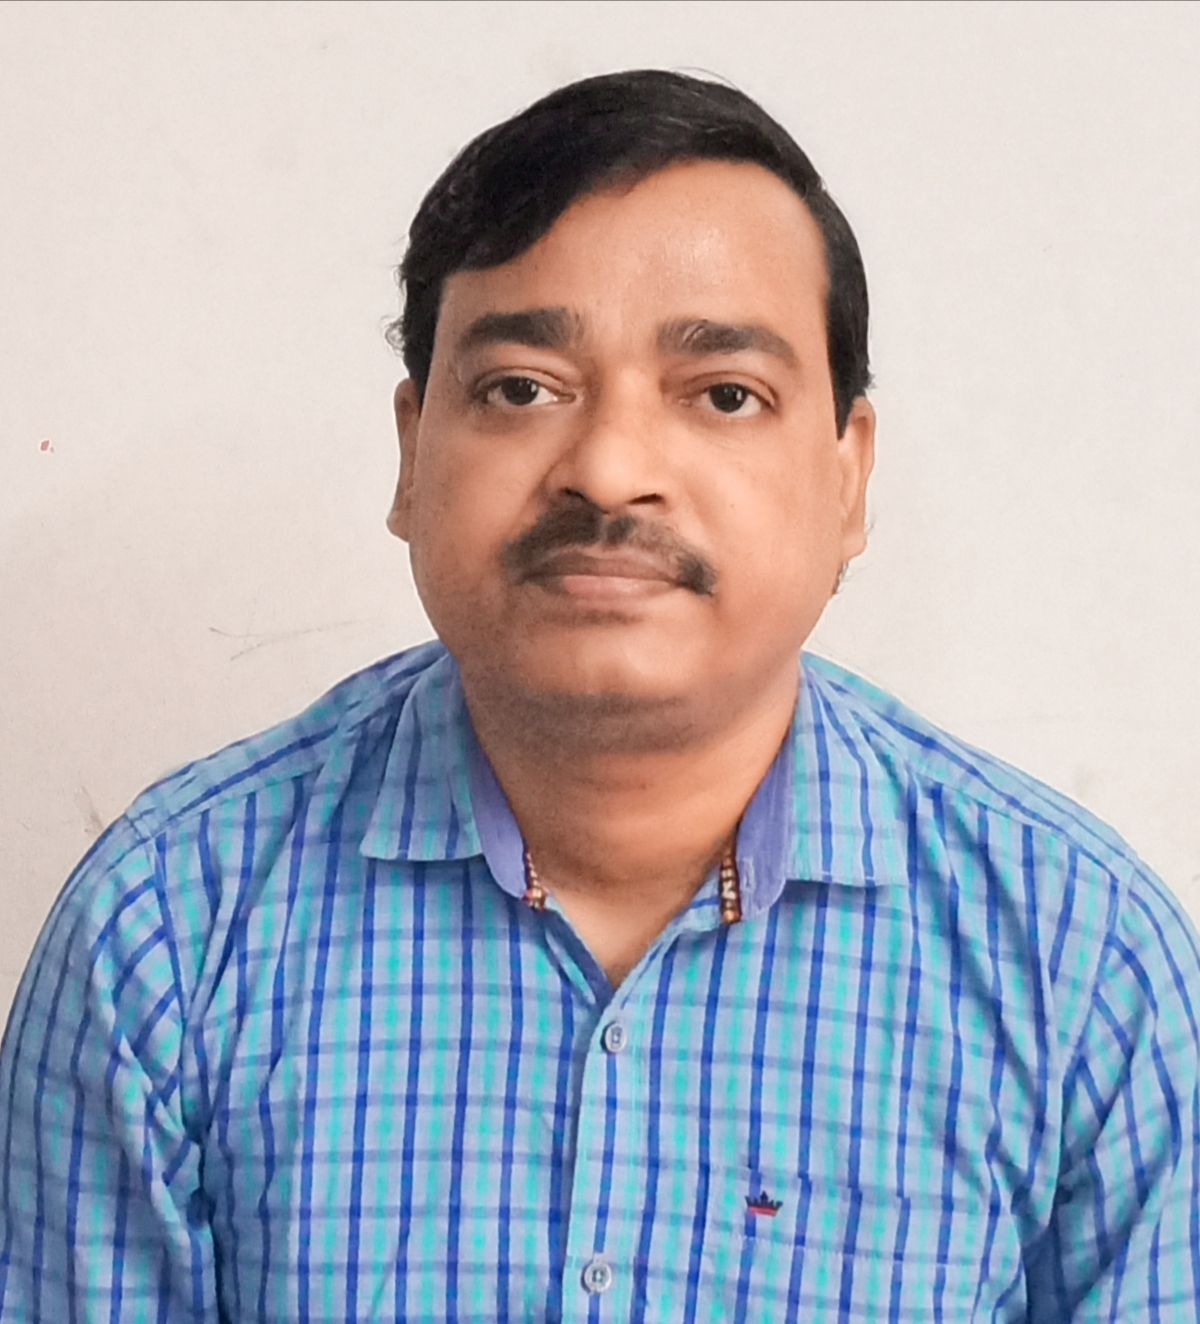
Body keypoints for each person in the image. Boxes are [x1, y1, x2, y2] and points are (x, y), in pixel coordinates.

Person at [1, 67, 1197, 1323]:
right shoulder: (168, 928)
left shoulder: (1080, 963)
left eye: (724, 395)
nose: (612, 471)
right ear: (412, 453)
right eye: (522, 388)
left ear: (848, 479)